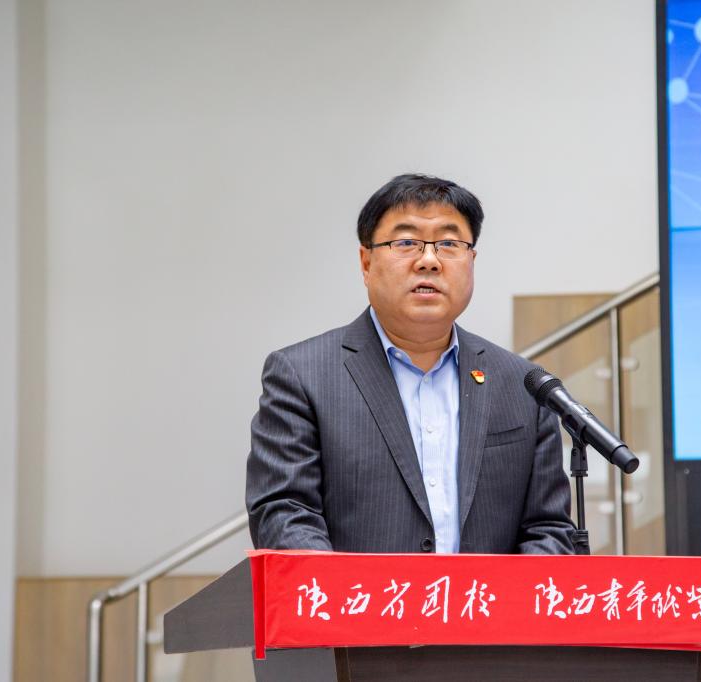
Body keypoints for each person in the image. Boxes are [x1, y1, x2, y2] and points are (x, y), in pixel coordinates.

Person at [246, 174, 574, 554]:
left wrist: (505, 595)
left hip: (487, 597)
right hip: (358, 595)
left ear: (471, 260)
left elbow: (548, 529)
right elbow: (285, 513)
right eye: (406, 243)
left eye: (449, 244)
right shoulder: (303, 376)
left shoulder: (523, 385)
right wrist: (350, 591)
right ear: (366, 262)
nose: (429, 261)